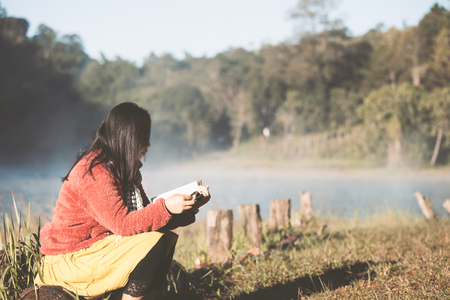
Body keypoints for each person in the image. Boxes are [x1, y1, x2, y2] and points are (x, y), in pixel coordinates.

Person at [35, 102, 210, 300]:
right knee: (155, 242)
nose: (148, 145)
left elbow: (146, 219)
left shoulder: (125, 170)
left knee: (165, 239)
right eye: (144, 138)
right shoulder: (95, 170)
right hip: (69, 259)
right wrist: (166, 208)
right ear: (128, 138)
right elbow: (124, 224)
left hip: (97, 250)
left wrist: (187, 208)